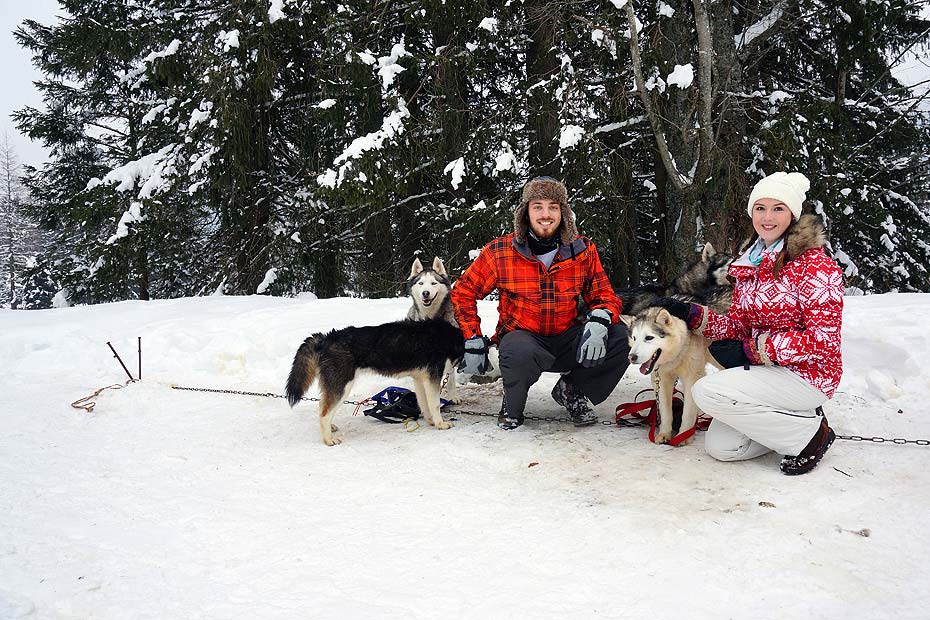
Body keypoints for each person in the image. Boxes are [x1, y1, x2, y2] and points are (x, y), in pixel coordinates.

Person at [653, 171, 843, 475]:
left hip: (808, 375)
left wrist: (755, 350)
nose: (767, 217)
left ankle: (811, 436)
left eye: (778, 208)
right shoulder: (750, 263)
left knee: (706, 390)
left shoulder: (814, 265)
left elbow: (823, 341)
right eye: (760, 208)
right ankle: (796, 419)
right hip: (766, 375)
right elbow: (738, 326)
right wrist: (692, 315)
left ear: (792, 215)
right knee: (723, 448)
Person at [450, 176, 629, 430]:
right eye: (538, 207)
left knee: (620, 336)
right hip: (523, 340)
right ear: (525, 213)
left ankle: (572, 390)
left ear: (563, 213)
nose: (546, 214)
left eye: (553, 207)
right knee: (517, 349)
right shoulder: (499, 251)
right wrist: (472, 337)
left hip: (568, 339)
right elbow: (463, 292)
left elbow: (605, 295)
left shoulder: (583, 250)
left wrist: (600, 319)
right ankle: (512, 404)